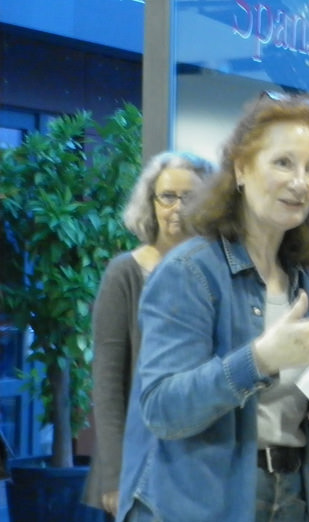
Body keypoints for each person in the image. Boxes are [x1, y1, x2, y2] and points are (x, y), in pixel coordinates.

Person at [115, 92, 309, 522]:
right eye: (283, 163)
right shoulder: (190, 271)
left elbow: (281, 408)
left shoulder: (300, 277)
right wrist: (259, 359)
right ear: (242, 168)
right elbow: (161, 408)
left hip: (293, 493)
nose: (300, 182)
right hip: (202, 502)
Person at [83, 151, 215, 519]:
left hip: (205, 461)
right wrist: (115, 474)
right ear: (151, 203)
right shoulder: (124, 273)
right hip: (141, 460)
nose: (177, 208)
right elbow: (108, 383)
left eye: (189, 197)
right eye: (167, 196)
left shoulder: (219, 273)